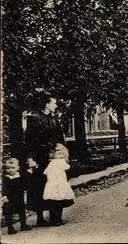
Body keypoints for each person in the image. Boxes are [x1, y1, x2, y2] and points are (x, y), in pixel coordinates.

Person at [25, 93, 66, 227]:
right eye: (53, 103)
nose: (55, 105)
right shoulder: (34, 118)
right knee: (39, 186)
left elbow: (60, 136)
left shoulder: (54, 118)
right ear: (46, 104)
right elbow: (30, 141)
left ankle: (55, 217)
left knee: (56, 185)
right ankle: (40, 217)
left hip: (54, 157)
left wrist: (62, 150)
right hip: (40, 157)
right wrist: (30, 158)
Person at [43, 143, 75, 226]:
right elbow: (68, 167)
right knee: (58, 203)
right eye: (58, 153)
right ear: (54, 154)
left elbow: (45, 172)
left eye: (62, 153)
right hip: (58, 184)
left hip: (54, 184)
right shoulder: (60, 162)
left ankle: (55, 219)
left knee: (55, 203)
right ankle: (57, 219)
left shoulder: (52, 163)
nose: (61, 156)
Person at [2, 158, 33, 234]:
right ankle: (10, 228)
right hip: (9, 199)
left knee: (21, 211)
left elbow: (25, 184)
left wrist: (30, 171)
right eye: (8, 168)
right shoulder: (6, 178)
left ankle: (23, 225)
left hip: (19, 197)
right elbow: (4, 188)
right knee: (9, 213)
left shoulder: (20, 176)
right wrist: (4, 196)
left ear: (18, 168)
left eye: (13, 168)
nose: (10, 170)